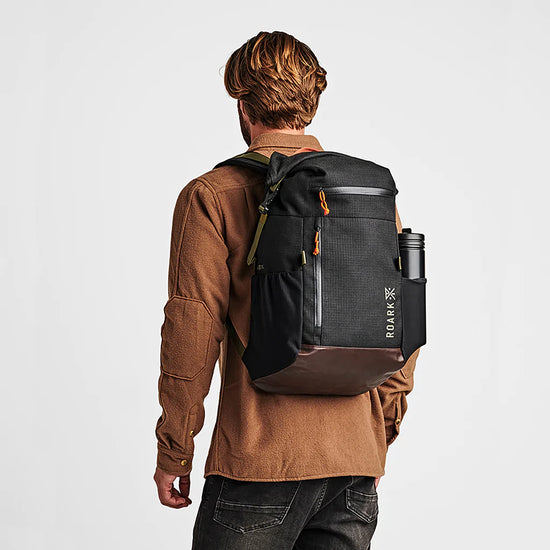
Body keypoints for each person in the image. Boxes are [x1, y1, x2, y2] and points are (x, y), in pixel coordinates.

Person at [153, 30, 420, 550]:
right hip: (353, 468)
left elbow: (192, 329)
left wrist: (175, 449)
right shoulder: (368, 194)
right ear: (311, 100)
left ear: (242, 102)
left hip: (259, 460)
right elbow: (401, 321)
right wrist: (377, 435)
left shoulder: (212, 194)